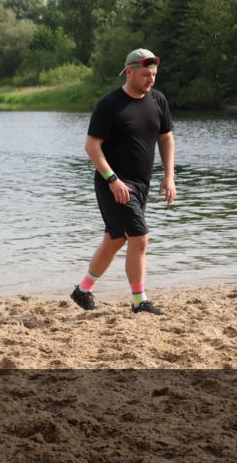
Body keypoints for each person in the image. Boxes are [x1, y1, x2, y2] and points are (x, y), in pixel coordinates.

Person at [70, 48, 176, 315]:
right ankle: (140, 301)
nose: (150, 80)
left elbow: (166, 137)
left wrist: (169, 175)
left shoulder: (158, 101)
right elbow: (92, 146)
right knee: (139, 238)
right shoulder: (110, 104)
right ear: (129, 71)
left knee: (115, 239)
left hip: (142, 185)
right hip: (113, 184)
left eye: (153, 75)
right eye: (144, 75)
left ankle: (83, 290)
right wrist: (113, 179)